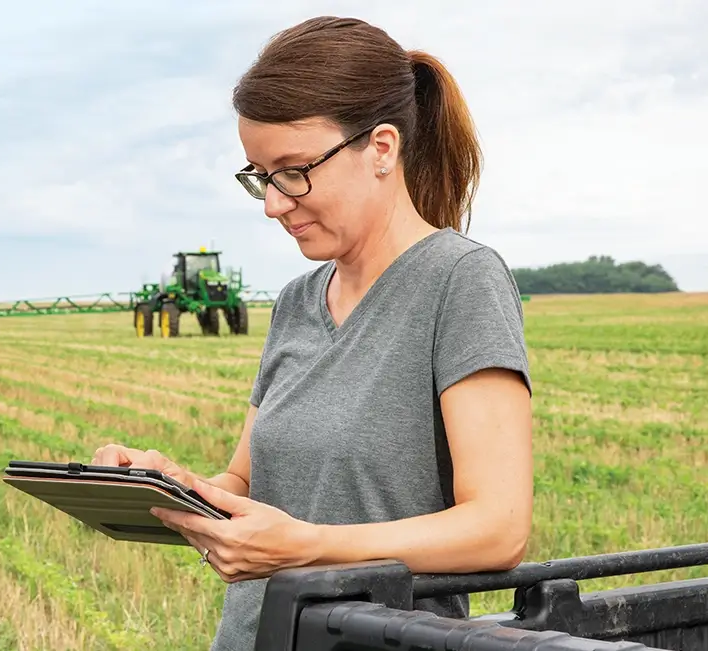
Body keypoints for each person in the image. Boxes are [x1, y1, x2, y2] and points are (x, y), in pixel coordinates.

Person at [90, 15, 533, 651]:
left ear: (381, 149)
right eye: (260, 176)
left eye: (293, 171)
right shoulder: (298, 302)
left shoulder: (461, 280)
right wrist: (169, 483)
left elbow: (498, 528)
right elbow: (246, 485)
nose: (274, 203)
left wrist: (310, 547)